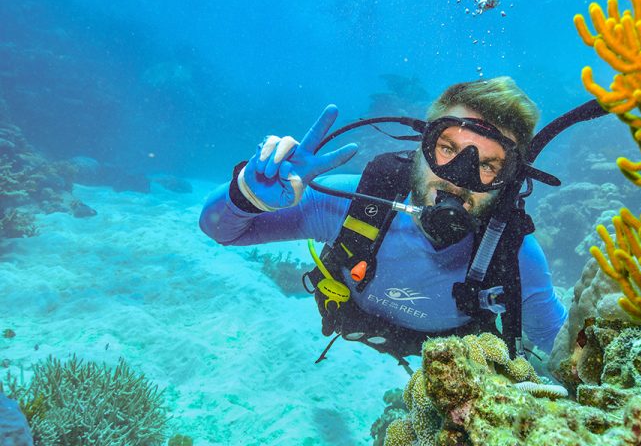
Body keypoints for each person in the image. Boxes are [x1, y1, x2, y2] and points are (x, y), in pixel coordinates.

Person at [199, 77, 567, 371]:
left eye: (488, 165)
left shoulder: (513, 256)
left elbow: (559, 347)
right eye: (448, 149)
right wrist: (247, 194)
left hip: (450, 364)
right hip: (349, 320)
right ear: (422, 147)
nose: (459, 179)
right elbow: (222, 230)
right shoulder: (360, 203)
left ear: (509, 181)